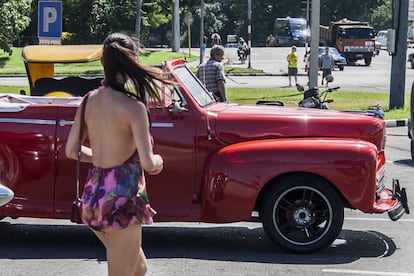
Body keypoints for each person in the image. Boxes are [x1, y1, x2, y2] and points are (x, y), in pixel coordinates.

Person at [65, 32, 172, 276]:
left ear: (103, 62)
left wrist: (105, 158)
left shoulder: (88, 101)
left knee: (139, 268)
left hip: (94, 199)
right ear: (131, 61)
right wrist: (159, 161)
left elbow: (72, 151)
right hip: (122, 202)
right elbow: (148, 162)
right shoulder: (133, 108)